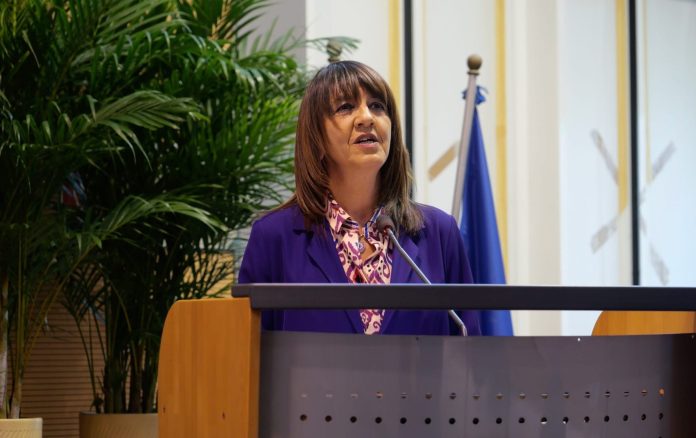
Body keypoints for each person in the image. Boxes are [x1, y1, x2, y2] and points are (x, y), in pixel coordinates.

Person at [238, 60, 481, 336]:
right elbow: (247, 352)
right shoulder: (274, 237)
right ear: (317, 138)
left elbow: (468, 345)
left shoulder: (439, 233)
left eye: (377, 106)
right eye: (345, 107)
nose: (367, 118)